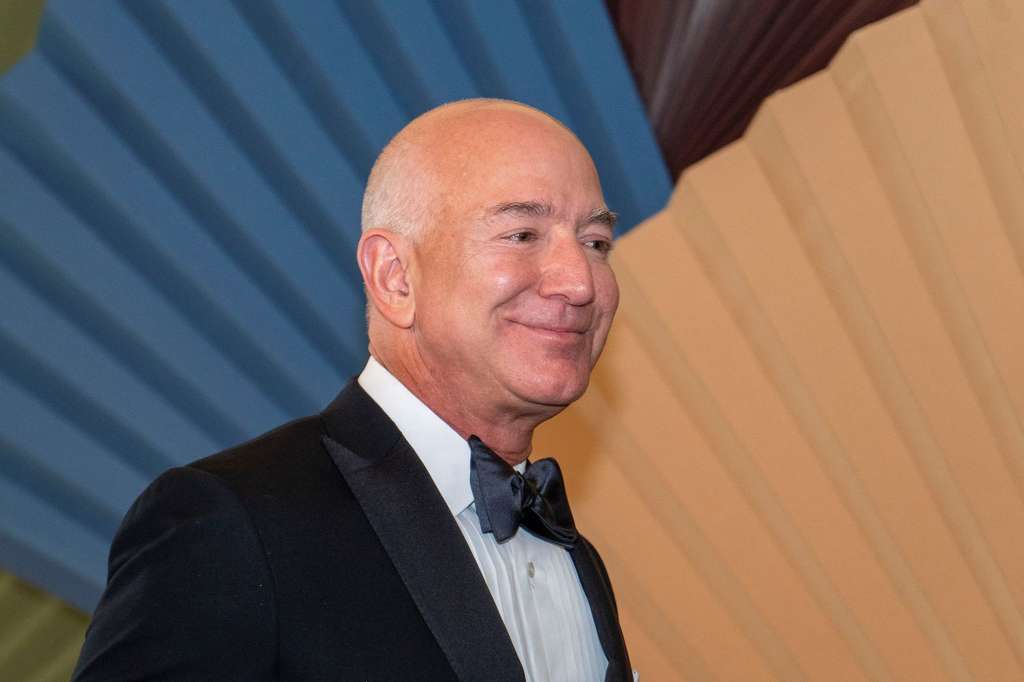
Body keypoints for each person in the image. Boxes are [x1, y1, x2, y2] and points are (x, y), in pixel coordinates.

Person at [73, 99, 631, 681]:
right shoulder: (232, 523)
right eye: (521, 234)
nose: (579, 282)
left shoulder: (575, 558)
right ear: (394, 276)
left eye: (595, 243)